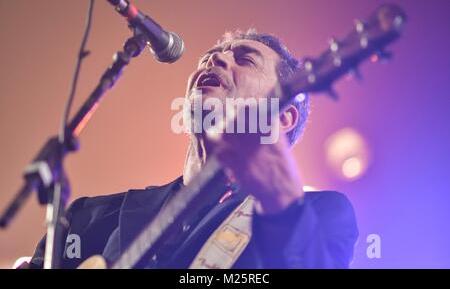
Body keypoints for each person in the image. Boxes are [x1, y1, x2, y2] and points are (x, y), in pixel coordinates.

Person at [26, 29, 358, 269]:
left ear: (284, 117)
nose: (217, 57)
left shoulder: (316, 215)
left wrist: (283, 202)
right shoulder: (86, 218)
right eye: (212, 55)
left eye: (244, 59)